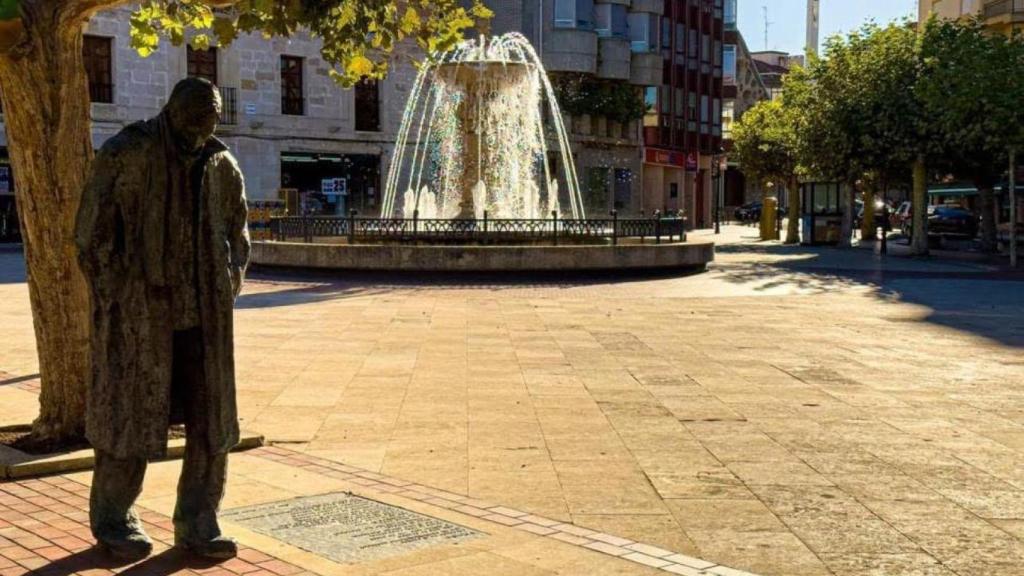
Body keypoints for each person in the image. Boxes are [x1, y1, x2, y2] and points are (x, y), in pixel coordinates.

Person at [75, 77, 250, 560]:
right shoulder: (125, 153)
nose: (201, 130)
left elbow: (239, 235)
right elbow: (92, 238)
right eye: (194, 120)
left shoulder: (222, 165)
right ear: (171, 111)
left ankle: (199, 522)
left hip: (205, 323)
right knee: (127, 421)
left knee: (212, 426)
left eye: (210, 120)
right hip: (139, 320)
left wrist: (225, 286)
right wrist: (119, 298)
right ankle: (114, 520)